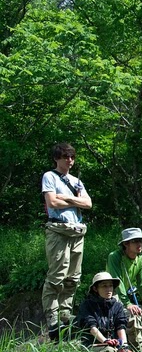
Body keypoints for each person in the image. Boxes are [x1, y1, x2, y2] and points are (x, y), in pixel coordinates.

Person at [41, 142, 92, 340]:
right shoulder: (49, 176)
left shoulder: (76, 181)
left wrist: (67, 198)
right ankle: (52, 321)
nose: (69, 161)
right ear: (56, 158)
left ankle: (65, 316)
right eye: (65, 157)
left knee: (73, 278)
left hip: (77, 232)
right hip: (58, 231)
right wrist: (74, 199)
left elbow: (88, 203)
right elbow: (52, 202)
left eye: (72, 157)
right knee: (57, 276)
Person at [107, 227, 142, 350]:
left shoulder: (141, 259)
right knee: (132, 317)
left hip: (127, 296)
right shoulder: (115, 257)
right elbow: (117, 281)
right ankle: (134, 348)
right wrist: (127, 304)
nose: (139, 244)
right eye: (135, 241)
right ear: (126, 244)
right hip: (112, 295)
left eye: (140, 241)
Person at [75, 271, 133, 352]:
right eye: (104, 286)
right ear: (95, 288)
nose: (108, 289)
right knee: (109, 351)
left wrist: (124, 345)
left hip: (113, 345)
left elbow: (120, 326)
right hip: (91, 346)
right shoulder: (87, 305)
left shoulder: (117, 306)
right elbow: (91, 327)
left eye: (110, 286)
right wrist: (105, 341)